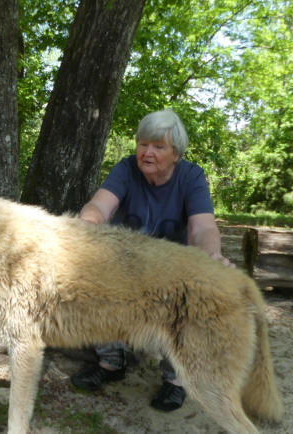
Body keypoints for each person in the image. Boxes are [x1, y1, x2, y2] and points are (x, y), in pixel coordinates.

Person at [70, 108, 234, 412]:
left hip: (170, 270)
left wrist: (211, 257)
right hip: (125, 263)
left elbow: (203, 227)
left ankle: (176, 380)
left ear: (176, 154)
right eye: (143, 144)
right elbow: (100, 206)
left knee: (196, 296)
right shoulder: (126, 169)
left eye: (159, 147)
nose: (148, 152)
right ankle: (111, 362)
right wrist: (85, 228)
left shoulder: (191, 176)